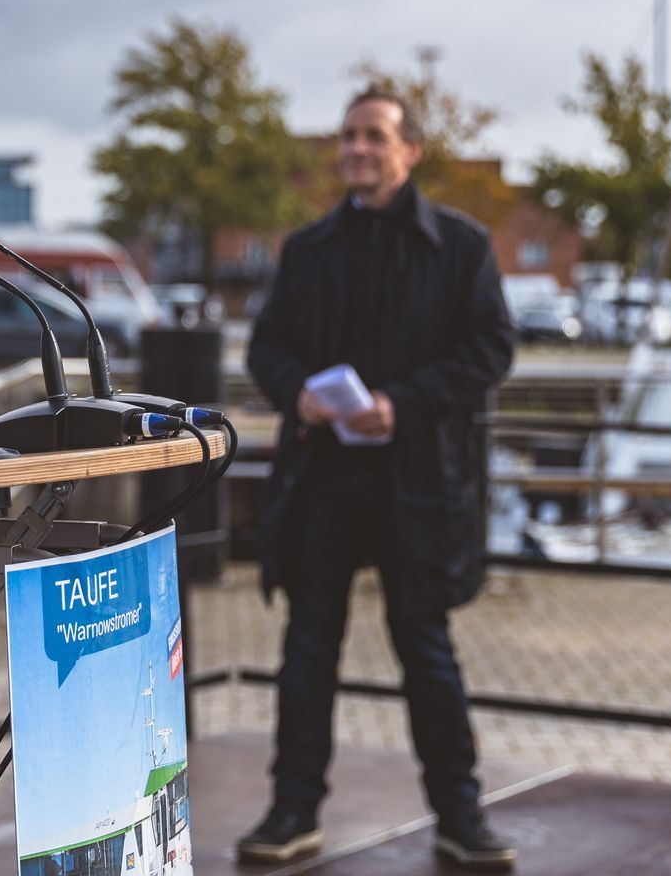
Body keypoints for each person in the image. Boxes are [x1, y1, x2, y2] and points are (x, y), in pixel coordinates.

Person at [239, 86, 517, 872]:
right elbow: (267, 347)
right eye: (348, 136)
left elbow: (492, 350)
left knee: (426, 652)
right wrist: (296, 393)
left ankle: (462, 818)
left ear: (410, 150)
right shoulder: (308, 248)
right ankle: (292, 812)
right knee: (307, 651)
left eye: (372, 136)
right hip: (323, 480)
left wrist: (402, 406)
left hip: (419, 482)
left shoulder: (461, 246)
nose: (356, 149)